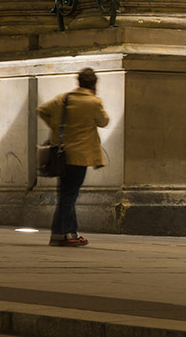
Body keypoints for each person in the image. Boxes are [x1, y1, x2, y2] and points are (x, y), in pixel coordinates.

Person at [37, 68, 109, 247]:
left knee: (65, 194)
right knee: (69, 195)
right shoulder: (93, 102)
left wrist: (56, 127)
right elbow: (104, 121)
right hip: (80, 156)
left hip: (62, 153)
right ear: (94, 84)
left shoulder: (64, 98)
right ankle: (68, 233)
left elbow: (42, 110)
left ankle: (60, 233)